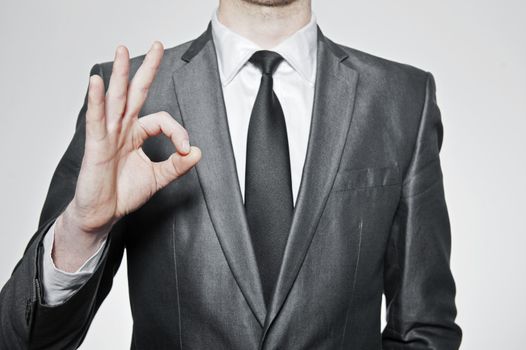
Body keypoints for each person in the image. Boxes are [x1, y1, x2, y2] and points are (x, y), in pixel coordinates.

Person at [0, 0, 462, 348]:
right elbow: (28, 340)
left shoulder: (402, 98)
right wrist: (84, 228)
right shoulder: (131, 97)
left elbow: (424, 328)